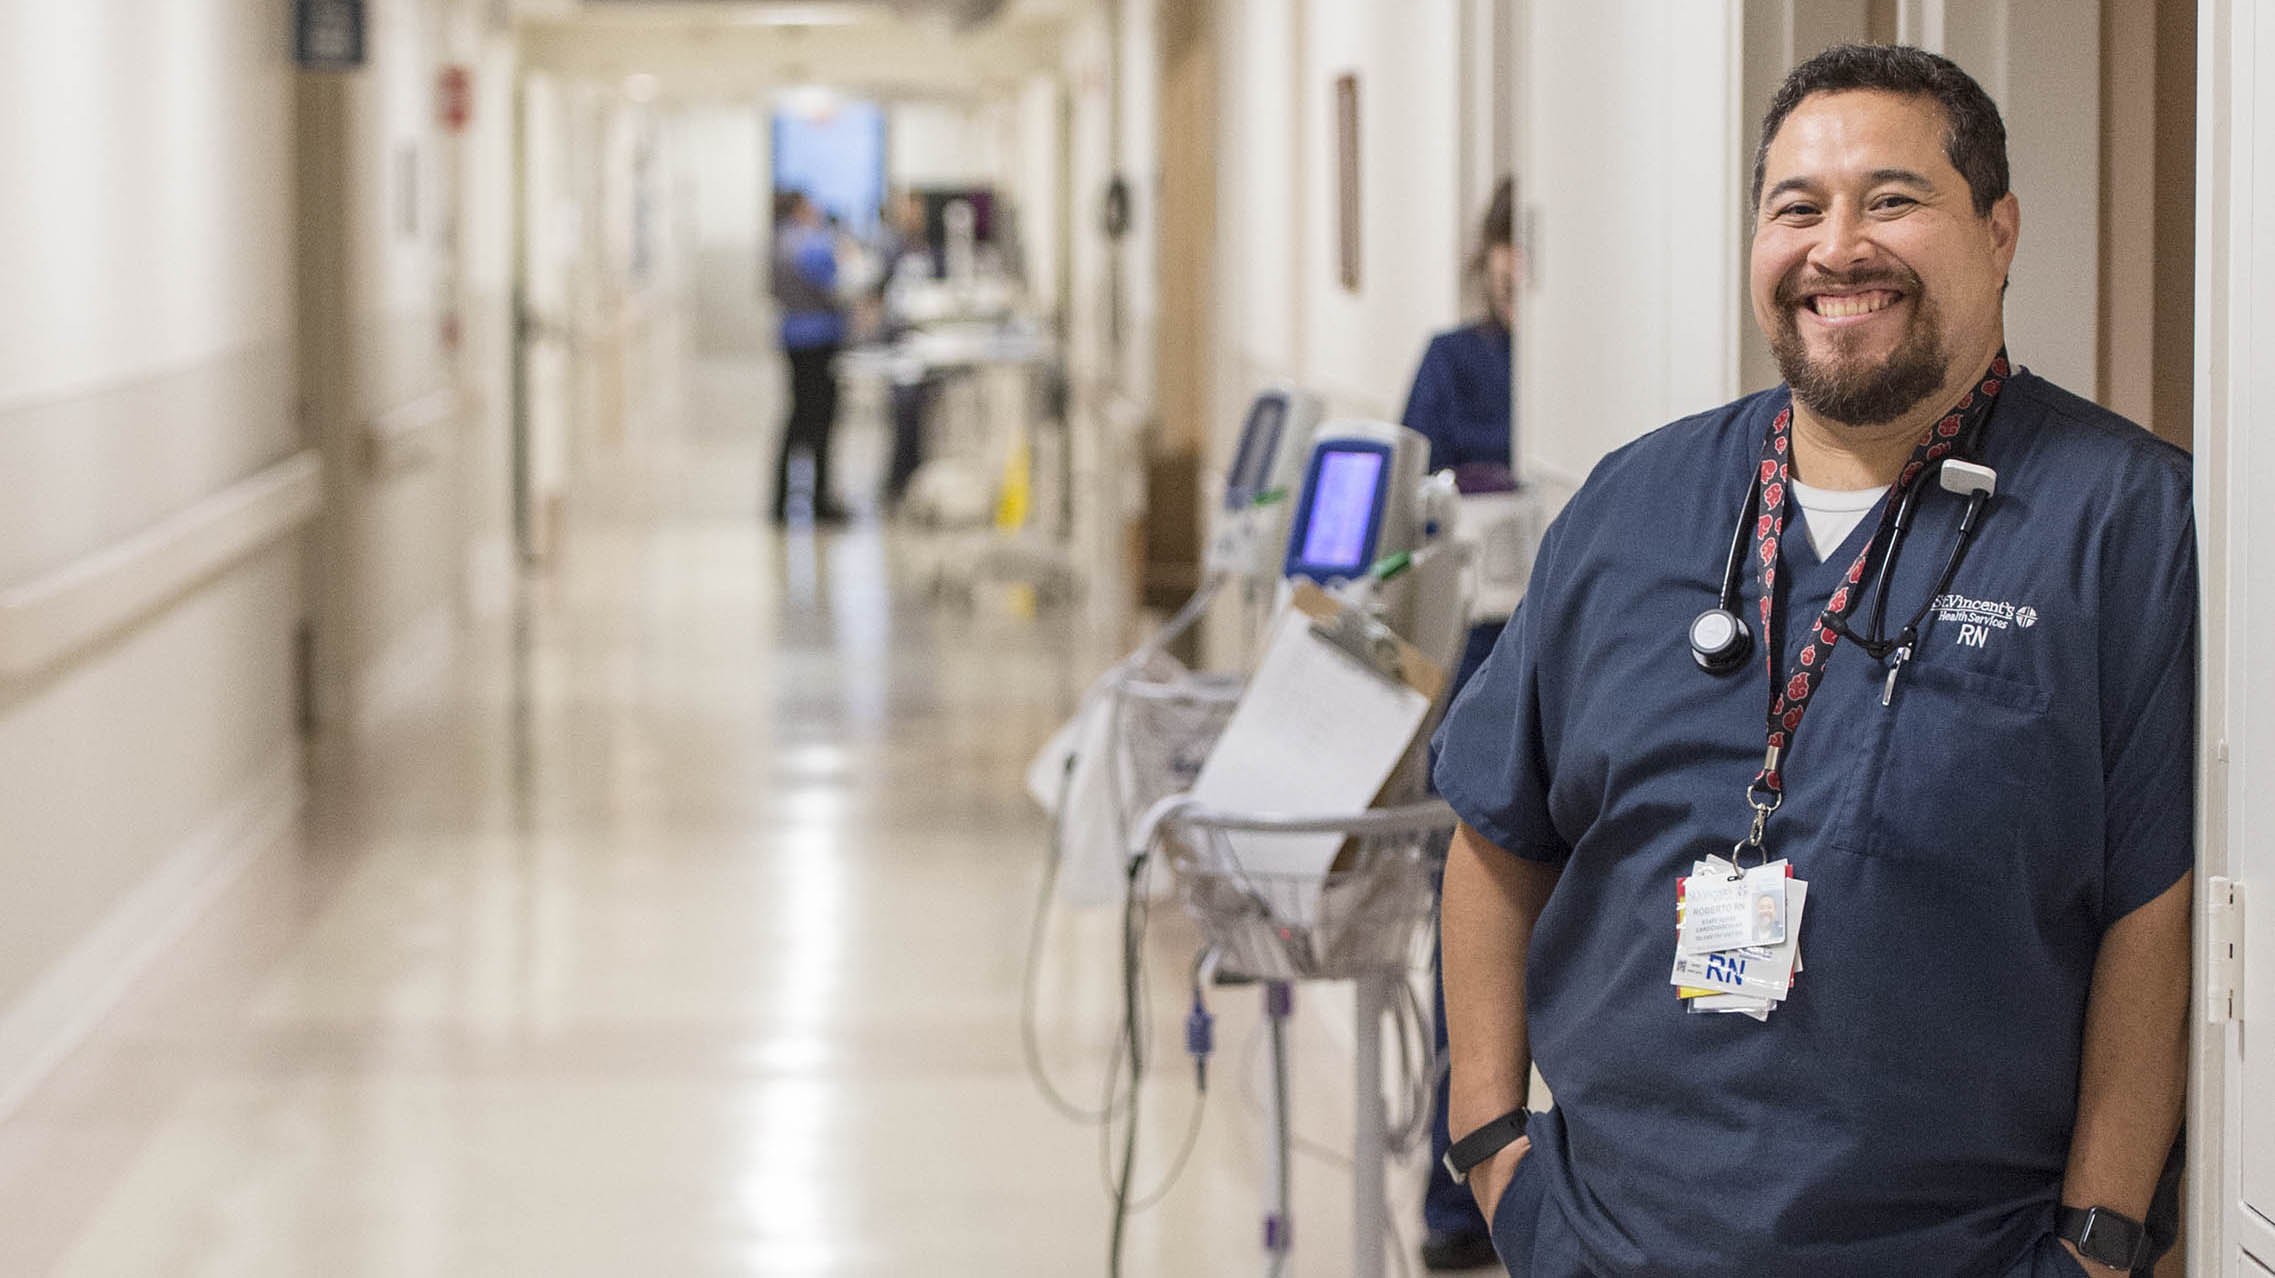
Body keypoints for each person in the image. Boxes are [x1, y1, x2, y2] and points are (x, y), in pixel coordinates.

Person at [1434, 45, 2191, 1278]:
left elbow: (2156, 913)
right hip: (1609, 1242)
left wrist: (2098, 1243)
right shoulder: (1637, 502)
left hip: (1964, 1251)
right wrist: (1493, 1155)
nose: (1837, 247)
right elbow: (1493, 828)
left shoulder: (2127, 524)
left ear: (1998, 231)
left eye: (1891, 199)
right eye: (1797, 207)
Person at [1406, 176, 1519, 1273]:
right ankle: (1457, 1202)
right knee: (1474, 932)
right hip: (1476, 662)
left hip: (1567, 664)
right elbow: (1412, 503)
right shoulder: (1455, 359)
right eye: (1504, 250)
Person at [770, 191, 850, 525]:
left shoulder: (779, 242)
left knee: (797, 418)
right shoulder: (808, 243)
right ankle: (819, 501)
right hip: (817, 341)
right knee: (819, 422)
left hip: (793, 336)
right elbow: (833, 285)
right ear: (801, 208)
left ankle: (782, 500)